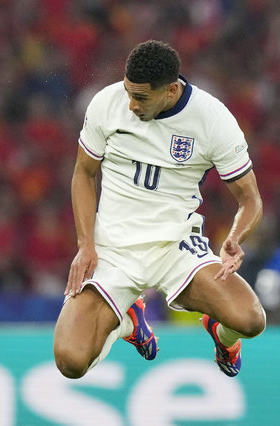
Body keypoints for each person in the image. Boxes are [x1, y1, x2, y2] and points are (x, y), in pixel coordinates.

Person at [53, 40, 265, 379]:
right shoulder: (107, 104)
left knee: (250, 320)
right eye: (128, 92)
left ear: (170, 91)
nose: (131, 104)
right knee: (70, 361)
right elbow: (84, 173)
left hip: (177, 247)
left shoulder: (212, 119)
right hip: (113, 249)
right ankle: (128, 322)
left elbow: (250, 198)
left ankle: (222, 336)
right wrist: (85, 246)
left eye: (140, 98)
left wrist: (236, 237)